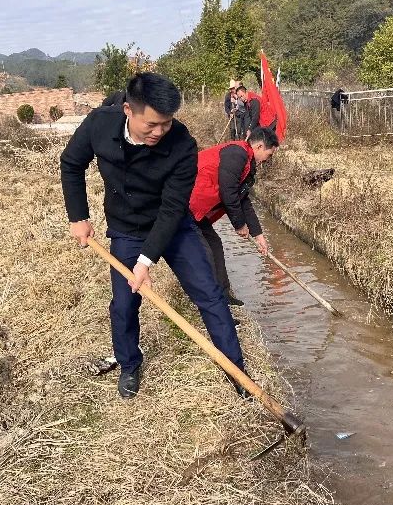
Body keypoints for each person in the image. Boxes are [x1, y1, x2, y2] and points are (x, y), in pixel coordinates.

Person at [60, 72, 251, 399]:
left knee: (210, 293)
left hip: (174, 226)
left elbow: (173, 208)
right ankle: (129, 364)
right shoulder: (99, 124)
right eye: (151, 124)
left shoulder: (182, 144)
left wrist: (146, 261)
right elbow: (71, 163)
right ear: (128, 111)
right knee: (123, 305)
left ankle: (236, 371)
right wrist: (78, 216)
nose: (159, 131)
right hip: (125, 227)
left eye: (166, 123)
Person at [189, 126, 279, 309]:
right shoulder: (237, 154)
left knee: (215, 246)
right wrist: (239, 225)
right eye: (269, 155)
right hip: (186, 205)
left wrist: (258, 234)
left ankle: (223, 296)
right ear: (260, 146)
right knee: (205, 255)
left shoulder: (246, 162)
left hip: (198, 211)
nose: (267, 160)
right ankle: (214, 307)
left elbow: (243, 199)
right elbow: (228, 191)